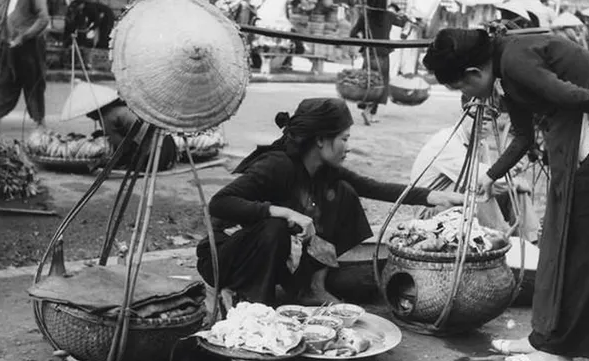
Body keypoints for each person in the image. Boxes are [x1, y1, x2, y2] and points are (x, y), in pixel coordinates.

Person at [423, 28, 589, 361]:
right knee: (558, 246)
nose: (468, 95)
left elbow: (572, 96)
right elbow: (523, 135)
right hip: (579, 147)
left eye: (462, 86)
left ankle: (575, 348)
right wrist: (491, 174)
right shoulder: (506, 69)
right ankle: (545, 340)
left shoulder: (515, 59)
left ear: (474, 72)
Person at [196, 98, 464, 308]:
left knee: (345, 193)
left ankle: (312, 286)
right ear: (321, 140)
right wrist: (283, 212)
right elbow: (219, 204)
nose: (348, 147)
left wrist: (433, 196)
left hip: (275, 254)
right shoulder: (276, 165)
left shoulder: (323, 169)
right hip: (226, 259)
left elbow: (371, 187)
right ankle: (254, 302)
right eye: (344, 139)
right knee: (275, 225)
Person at [410, 110, 540, 243]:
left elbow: (492, 181)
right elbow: (481, 182)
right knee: (479, 190)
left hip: (460, 202)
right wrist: (514, 181)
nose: (483, 123)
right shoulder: (447, 141)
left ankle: (531, 242)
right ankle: (499, 242)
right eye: (476, 116)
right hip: (431, 212)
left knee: (516, 193)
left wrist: (510, 176)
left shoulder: (481, 144)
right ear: (463, 114)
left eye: (489, 119)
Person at [0, 0, 49, 133]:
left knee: (33, 82)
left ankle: (39, 120)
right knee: (5, 81)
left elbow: (43, 18)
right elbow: (2, 20)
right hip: (10, 45)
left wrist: (25, 36)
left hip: (30, 47)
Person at [349, 0, 405, 125]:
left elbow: (353, 33)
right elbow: (403, 23)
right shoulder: (389, 16)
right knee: (381, 84)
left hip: (369, 54)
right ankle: (370, 112)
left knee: (370, 83)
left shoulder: (365, 16)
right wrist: (402, 14)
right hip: (383, 54)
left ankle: (369, 112)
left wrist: (362, 39)